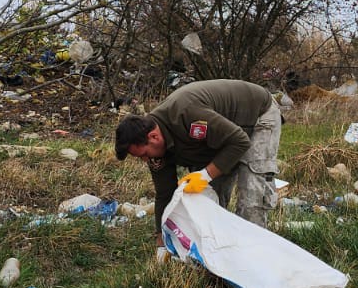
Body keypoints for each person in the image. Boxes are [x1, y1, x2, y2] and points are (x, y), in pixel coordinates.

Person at [114, 79, 282, 241]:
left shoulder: (186, 113)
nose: (145, 160)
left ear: (154, 137)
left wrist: (205, 175)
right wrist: (161, 242)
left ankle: (254, 250)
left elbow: (240, 141)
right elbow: (165, 194)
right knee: (205, 202)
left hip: (256, 114)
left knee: (251, 194)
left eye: (144, 154)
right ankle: (221, 248)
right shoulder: (155, 148)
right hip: (219, 137)